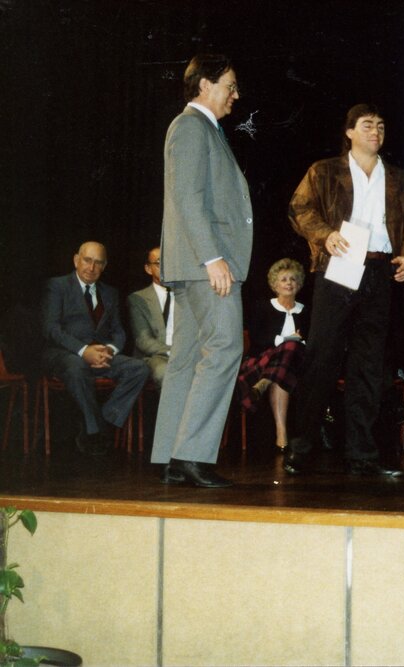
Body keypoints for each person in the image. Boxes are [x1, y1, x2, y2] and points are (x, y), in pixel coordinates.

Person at [284, 103, 404, 476]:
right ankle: (300, 446)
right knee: (323, 356)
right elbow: (299, 209)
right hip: (340, 266)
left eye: (380, 126)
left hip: (379, 269)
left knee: (370, 364)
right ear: (349, 132)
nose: (375, 132)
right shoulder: (324, 170)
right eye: (367, 125)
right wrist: (324, 235)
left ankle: (362, 454)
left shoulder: (398, 178)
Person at [151, 54, 253, 488]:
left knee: (188, 359)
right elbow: (188, 199)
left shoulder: (200, 129)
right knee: (226, 348)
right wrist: (213, 259)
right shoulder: (191, 127)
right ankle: (192, 454)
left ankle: (170, 456)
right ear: (205, 84)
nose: (236, 94)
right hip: (206, 264)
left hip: (194, 264)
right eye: (229, 85)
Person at [41, 241, 150, 455]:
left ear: (104, 266)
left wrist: (109, 349)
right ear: (76, 260)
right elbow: (51, 328)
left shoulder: (110, 293)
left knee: (140, 368)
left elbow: (119, 332)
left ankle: (102, 422)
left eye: (98, 263)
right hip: (64, 354)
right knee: (75, 366)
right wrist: (84, 351)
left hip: (100, 354)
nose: (91, 268)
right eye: (87, 260)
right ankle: (94, 434)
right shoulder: (57, 286)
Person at [236, 258, 309, 452]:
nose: (289, 283)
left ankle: (263, 384)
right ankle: (281, 433)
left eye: (293, 279)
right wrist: (285, 340)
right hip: (262, 361)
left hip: (296, 365)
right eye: (284, 279)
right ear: (274, 284)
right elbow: (258, 339)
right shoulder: (262, 307)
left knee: (292, 349)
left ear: (299, 284)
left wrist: (294, 342)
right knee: (287, 355)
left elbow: (313, 342)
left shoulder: (305, 311)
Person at [128, 247, 172, 387]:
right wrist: (172, 351)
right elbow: (143, 340)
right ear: (148, 269)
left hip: (186, 355)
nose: (165, 268)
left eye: (169, 262)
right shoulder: (137, 298)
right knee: (164, 371)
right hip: (155, 356)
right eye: (159, 263)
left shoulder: (187, 297)